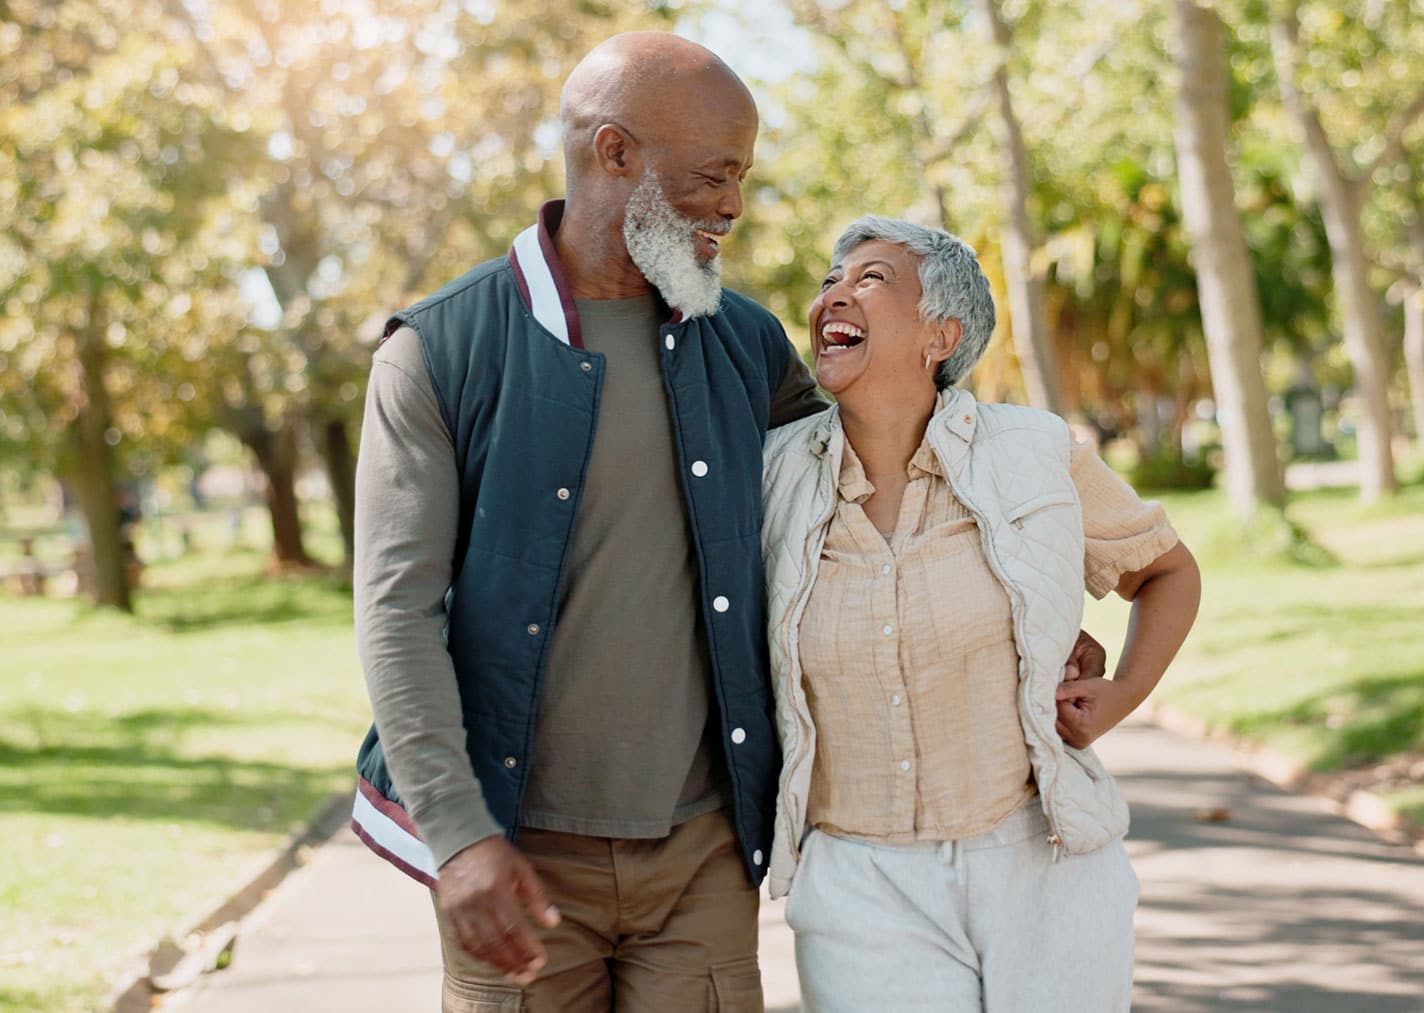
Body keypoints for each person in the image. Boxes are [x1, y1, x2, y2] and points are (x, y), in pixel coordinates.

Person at [351, 31, 1106, 1013]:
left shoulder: (746, 341)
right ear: (613, 152)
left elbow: (874, 468)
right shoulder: (440, 350)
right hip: (516, 854)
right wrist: (457, 836)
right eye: (714, 175)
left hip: (702, 851)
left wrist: (1018, 597)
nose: (733, 206)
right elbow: (396, 611)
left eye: (741, 176)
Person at [761, 217, 1202, 1012]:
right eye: (831, 278)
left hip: (1041, 857)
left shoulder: (1035, 451)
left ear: (941, 335)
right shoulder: (772, 475)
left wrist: (1124, 692)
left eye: (871, 278)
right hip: (858, 879)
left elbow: (1166, 570)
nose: (835, 291)